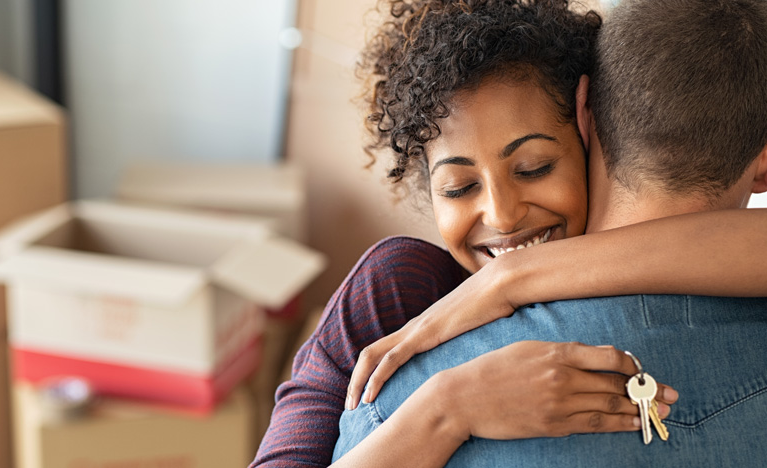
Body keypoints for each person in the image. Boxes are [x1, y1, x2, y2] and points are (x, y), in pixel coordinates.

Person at [251, 0, 767, 467]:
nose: (502, 215)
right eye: (457, 188)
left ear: (587, 127)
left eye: (534, 167)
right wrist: (447, 409)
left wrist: (513, 277)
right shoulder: (394, 288)